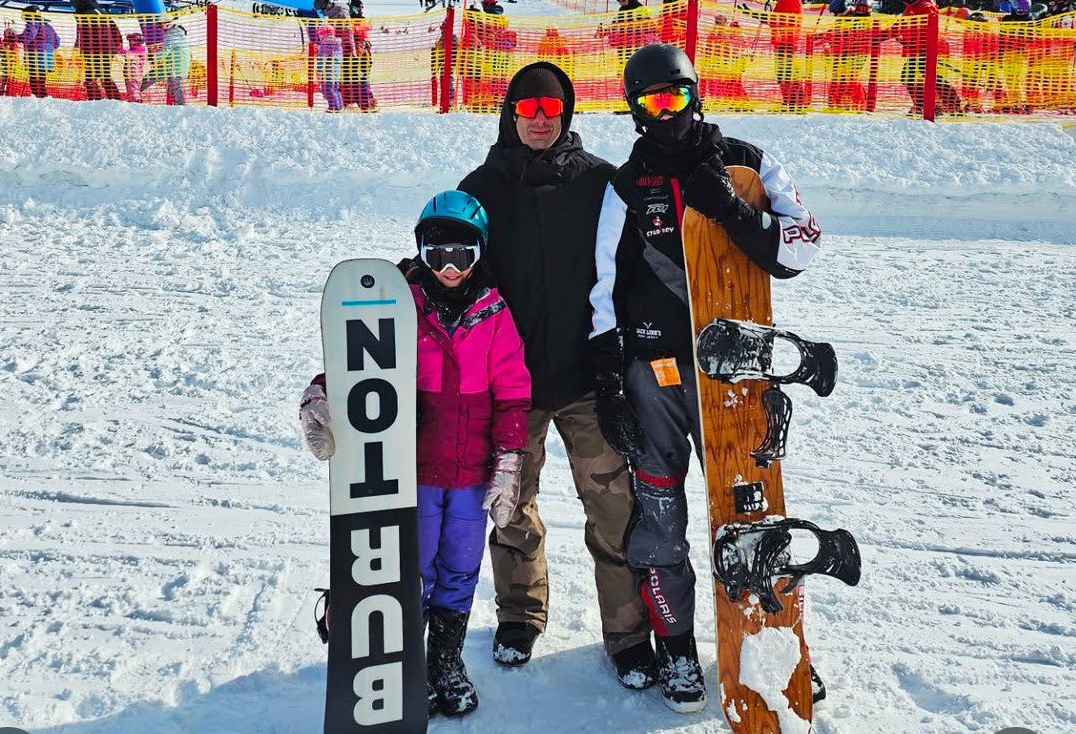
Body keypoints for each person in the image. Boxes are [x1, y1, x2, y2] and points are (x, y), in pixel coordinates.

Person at [589, 43, 821, 712]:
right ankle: (679, 647)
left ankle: (772, 640)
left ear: (697, 93)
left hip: (738, 365)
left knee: (752, 501)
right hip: (658, 368)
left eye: (677, 97)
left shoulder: (746, 160)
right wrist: (609, 381)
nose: (668, 114)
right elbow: (602, 289)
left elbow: (803, 247)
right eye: (652, 102)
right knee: (659, 508)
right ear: (635, 110)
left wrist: (734, 214)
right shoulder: (626, 184)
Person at [457, 62, 654, 689]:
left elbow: (637, 266)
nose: (539, 122)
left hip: (587, 382)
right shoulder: (481, 188)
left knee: (616, 512)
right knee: (511, 504)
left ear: (565, 114)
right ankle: (520, 613)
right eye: (527, 110)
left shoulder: (600, 183)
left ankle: (627, 634)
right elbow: (446, 266)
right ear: (511, 113)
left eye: (550, 111)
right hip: (511, 385)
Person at [300, 190, 531, 717]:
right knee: (412, 568)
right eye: (437, 254)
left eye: (463, 254)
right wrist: (322, 391)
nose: (450, 267)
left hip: (472, 476)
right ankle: (407, 664)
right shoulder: (397, 306)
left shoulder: (494, 314)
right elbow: (361, 366)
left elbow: (514, 393)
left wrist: (509, 460)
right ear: (421, 253)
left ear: (480, 253)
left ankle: (446, 659)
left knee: (461, 568)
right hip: (416, 474)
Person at [889, 0, 961, 115]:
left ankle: (946, 104)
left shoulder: (926, 6)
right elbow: (902, 25)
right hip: (915, 50)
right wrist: (891, 34)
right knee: (912, 76)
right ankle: (930, 104)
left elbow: (926, 29)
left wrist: (908, 39)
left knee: (922, 76)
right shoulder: (912, 5)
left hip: (926, 50)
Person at [73, 0, 123, 101]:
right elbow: (115, 30)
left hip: (94, 51)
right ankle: (115, 99)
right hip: (108, 50)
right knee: (104, 75)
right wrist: (117, 44)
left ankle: (96, 100)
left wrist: (85, 50)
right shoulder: (103, 12)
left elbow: (87, 35)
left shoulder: (85, 14)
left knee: (91, 77)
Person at [771, 0, 806, 111]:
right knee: (784, 73)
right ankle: (790, 101)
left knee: (787, 73)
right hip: (782, 41)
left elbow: (780, 19)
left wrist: (763, 17)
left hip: (787, 41)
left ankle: (794, 102)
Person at [20, 6, 59, 98]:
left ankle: (41, 100)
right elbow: (57, 42)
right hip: (48, 58)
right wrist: (48, 48)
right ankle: (43, 101)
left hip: (36, 57)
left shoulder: (34, 24)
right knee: (41, 81)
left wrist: (12, 38)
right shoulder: (48, 26)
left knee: (35, 82)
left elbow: (28, 37)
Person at [122, 32, 147, 102]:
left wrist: (120, 50)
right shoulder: (135, 49)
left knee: (133, 89)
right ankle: (132, 101)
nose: (130, 42)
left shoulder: (139, 49)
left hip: (134, 74)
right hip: (131, 74)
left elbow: (129, 55)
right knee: (131, 89)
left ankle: (136, 102)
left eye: (131, 40)